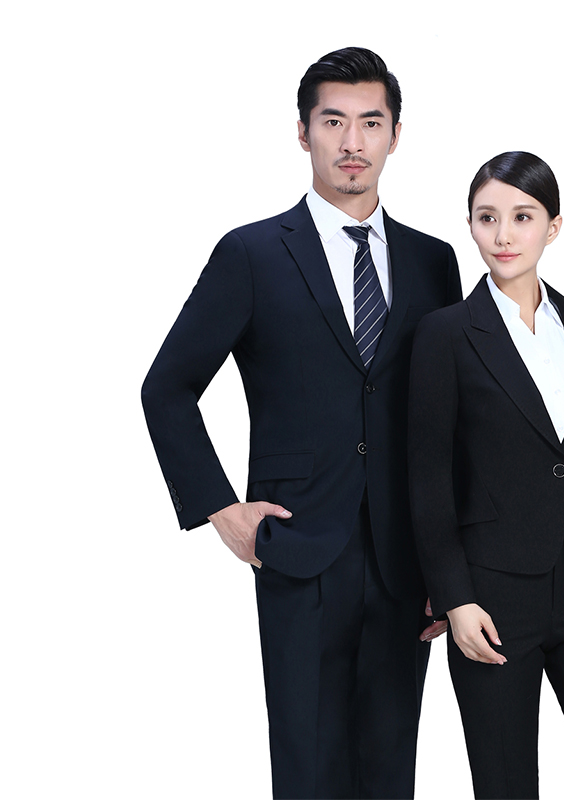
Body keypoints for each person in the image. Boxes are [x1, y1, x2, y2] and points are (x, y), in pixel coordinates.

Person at [141, 47, 461, 799]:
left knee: (391, 773)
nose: (352, 142)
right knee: (308, 769)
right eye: (333, 121)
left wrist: (454, 568)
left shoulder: (434, 262)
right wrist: (220, 509)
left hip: (406, 564)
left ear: (396, 135)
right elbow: (167, 387)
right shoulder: (252, 253)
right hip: (297, 548)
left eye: (370, 123)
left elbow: (449, 421)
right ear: (302, 131)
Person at [408, 151, 564, 799]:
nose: (503, 235)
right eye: (487, 218)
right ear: (470, 225)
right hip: (493, 598)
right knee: (505, 785)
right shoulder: (445, 333)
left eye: (522, 216)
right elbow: (428, 478)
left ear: (553, 226)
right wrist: (454, 598)